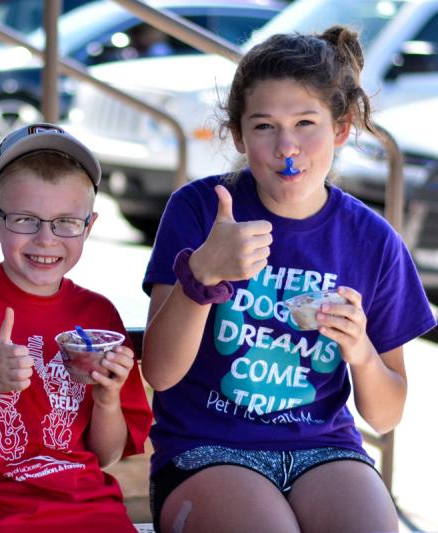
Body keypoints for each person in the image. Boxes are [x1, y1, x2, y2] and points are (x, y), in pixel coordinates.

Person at [141, 26, 437, 533]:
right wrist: (203, 274)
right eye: (263, 126)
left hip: (322, 449)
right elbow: (160, 373)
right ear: (237, 134)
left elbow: (386, 415)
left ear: (341, 129)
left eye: (305, 122)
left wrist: (361, 351)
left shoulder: (372, 240)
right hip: (207, 448)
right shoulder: (200, 210)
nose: (286, 146)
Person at [0, 123, 153, 532]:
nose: (46, 239)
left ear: (90, 226)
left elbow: (106, 455)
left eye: (65, 222)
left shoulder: (99, 317)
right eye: (26, 220)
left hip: (92, 508)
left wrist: (108, 398)